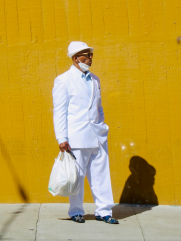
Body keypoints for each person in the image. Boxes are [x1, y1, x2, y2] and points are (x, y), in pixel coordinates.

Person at [52, 41, 118, 224]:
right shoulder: (63, 80)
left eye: (90, 55)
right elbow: (60, 111)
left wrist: (102, 125)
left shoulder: (95, 79)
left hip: (98, 135)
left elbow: (99, 107)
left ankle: (104, 211)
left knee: (101, 175)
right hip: (76, 137)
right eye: (86, 55)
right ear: (75, 58)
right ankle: (76, 211)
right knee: (77, 176)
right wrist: (62, 138)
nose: (89, 59)